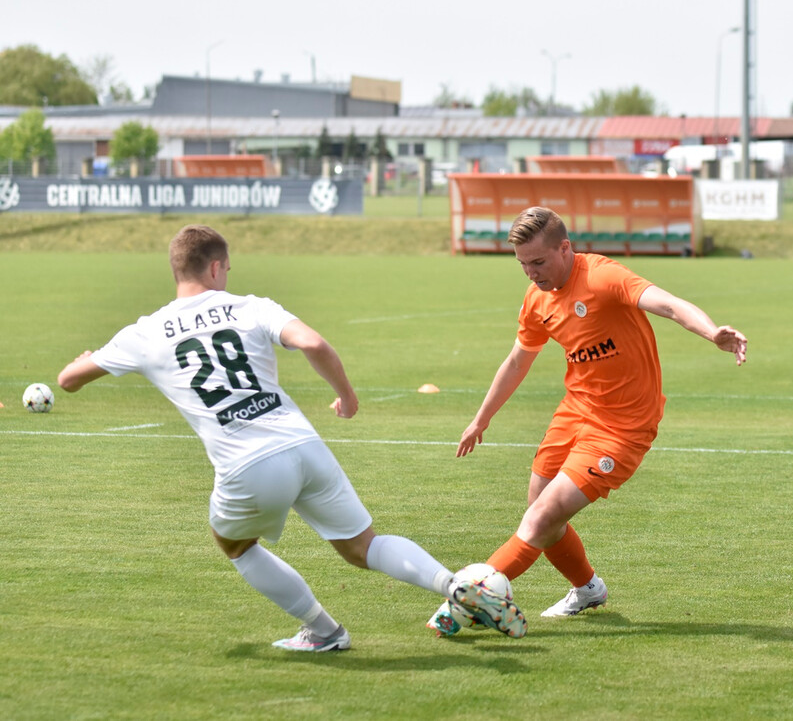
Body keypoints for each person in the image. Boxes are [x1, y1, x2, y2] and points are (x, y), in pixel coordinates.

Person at [57, 224, 526, 650]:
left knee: (236, 546)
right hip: (304, 446)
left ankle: (324, 632)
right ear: (216, 266)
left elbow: (68, 380)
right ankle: (454, 585)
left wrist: (85, 360)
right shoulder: (252, 306)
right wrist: (345, 396)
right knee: (364, 546)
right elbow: (314, 344)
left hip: (247, 465)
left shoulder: (144, 332)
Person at [427, 207, 747, 635]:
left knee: (541, 520)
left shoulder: (603, 277)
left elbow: (667, 305)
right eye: (522, 264)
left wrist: (711, 333)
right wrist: (481, 418)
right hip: (576, 410)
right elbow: (519, 359)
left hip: (623, 426)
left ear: (565, 247)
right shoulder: (537, 300)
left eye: (538, 262)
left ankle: (469, 598)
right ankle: (588, 589)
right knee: (539, 507)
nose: (531, 273)